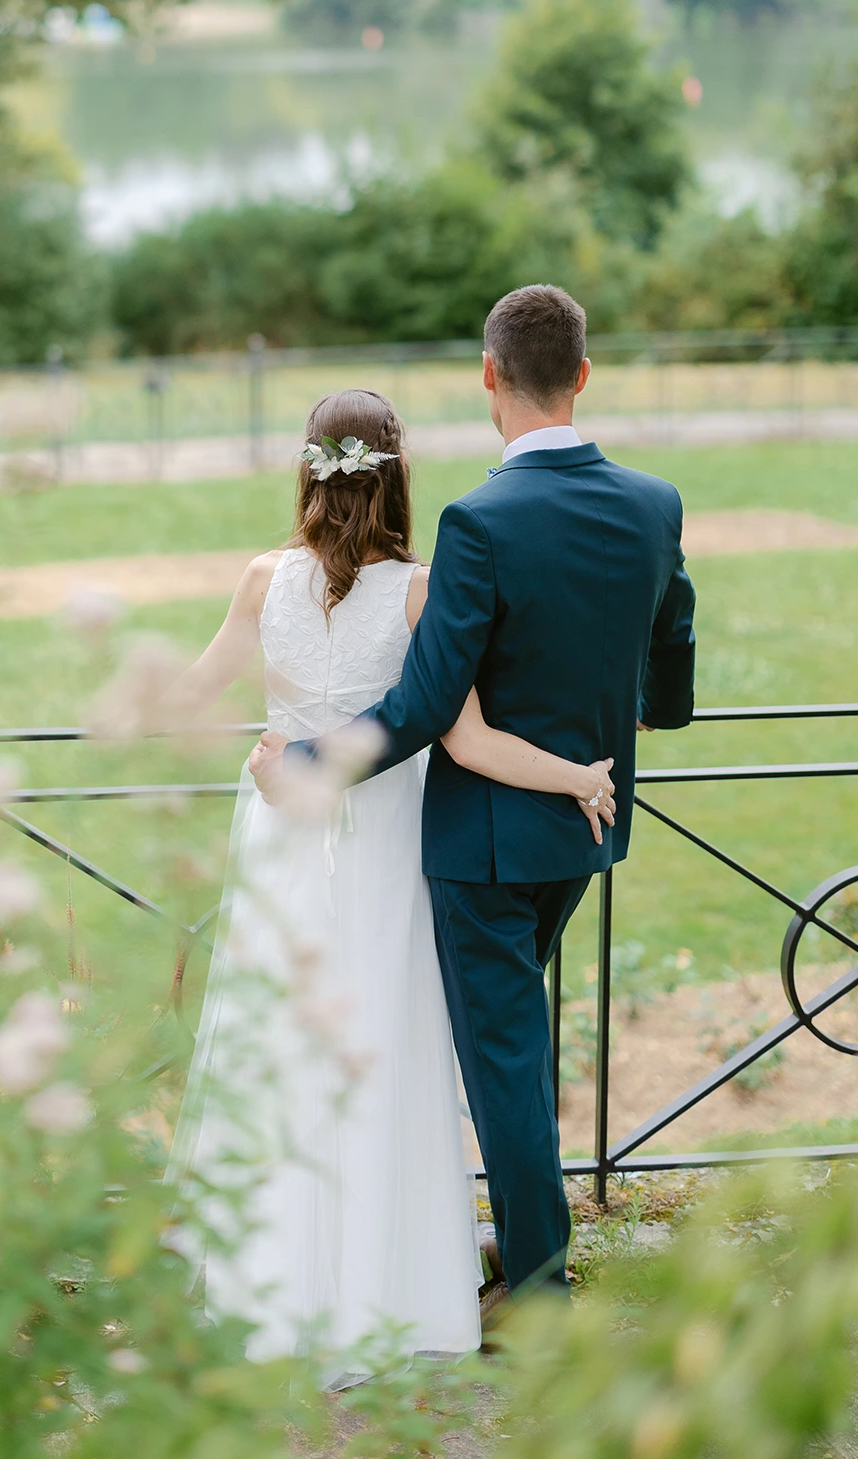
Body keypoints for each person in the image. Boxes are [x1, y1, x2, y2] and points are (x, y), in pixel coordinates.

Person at [250, 284, 696, 1315]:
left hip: (482, 849)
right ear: (581, 375)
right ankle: (504, 1235)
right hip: (585, 828)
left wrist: (306, 762)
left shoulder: (479, 522)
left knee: (501, 1059)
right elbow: (670, 640)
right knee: (510, 1048)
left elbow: (417, 707)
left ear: (489, 377)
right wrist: (647, 715)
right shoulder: (654, 502)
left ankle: (537, 1287)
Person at [167, 384, 617, 1384]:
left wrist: (252, 750)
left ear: (306, 467)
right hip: (386, 837)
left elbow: (187, 699)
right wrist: (575, 774)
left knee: (279, 1041)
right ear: (396, 473)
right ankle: (391, 1280)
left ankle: (263, 1278)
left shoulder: (258, 578)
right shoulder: (416, 590)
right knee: (386, 1045)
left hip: (285, 828)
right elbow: (467, 739)